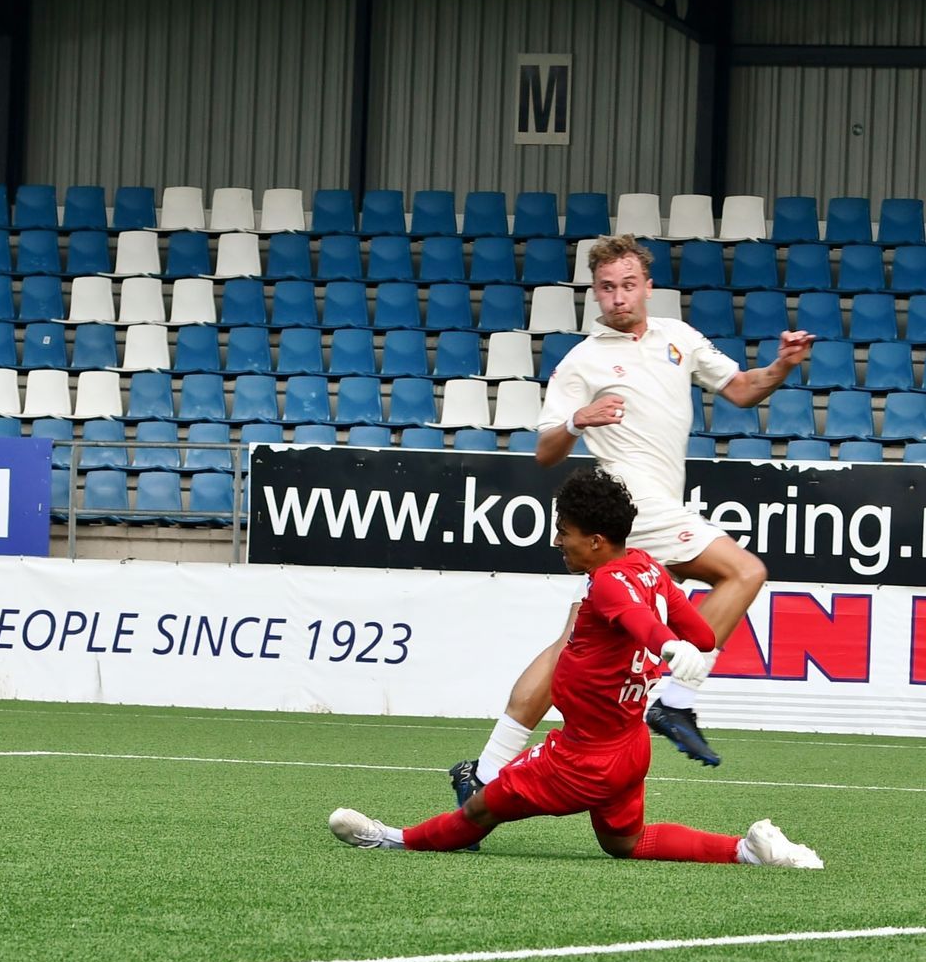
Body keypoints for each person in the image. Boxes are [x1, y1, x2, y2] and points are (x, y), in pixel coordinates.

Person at [457, 233, 812, 796]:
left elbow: (744, 390)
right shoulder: (583, 361)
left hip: (656, 505)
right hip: (632, 503)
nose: (618, 297)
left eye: (627, 285)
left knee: (573, 641)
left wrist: (784, 365)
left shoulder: (678, 337)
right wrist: (577, 420)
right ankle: (676, 699)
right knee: (744, 571)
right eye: (606, 288)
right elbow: (545, 450)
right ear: (594, 294)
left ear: (648, 287)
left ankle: (486, 771)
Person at [331, 466, 822, 869]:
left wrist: (669, 647)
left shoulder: (607, 582)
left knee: (478, 806)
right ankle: (746, 850)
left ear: (596, 540)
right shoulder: (649, 566)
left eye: (565, 532)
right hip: (629, 746)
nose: (558, 540)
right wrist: (680, 645)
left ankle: (389, 838)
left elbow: (634, 619)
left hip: (581, 758)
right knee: (626, 843)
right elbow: (705, 636)